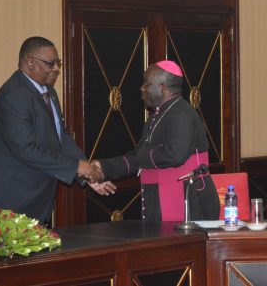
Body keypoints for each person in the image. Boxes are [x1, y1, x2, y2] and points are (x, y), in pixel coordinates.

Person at [0, 36, 108, 225]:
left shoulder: (48, 91)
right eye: (50, 63)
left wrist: (86, 172)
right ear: (30, 62)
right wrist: (77, 167)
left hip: (34, 196)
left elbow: (60, 138)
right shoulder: (14, 94)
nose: (56, 68)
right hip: (6, 197)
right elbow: (25, 148)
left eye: (58, 63)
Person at [92, 60, 220, 222]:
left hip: (186, 199)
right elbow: (137, 157)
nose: (142, 88)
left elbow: (174, 155)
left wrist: (144, 153)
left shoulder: (182, 114)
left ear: (163, 87)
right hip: (159, 197)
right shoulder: (158, 115)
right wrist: (102, 168)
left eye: (146, 83)